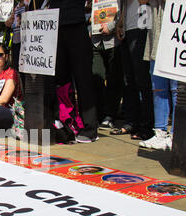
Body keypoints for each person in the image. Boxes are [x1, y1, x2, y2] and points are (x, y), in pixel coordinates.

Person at [49, 0, 99, 143]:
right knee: (61, 80)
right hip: (55, 26)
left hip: (76, 25)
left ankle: (90, 128)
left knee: (83, 78)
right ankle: (68, 122)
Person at [110, 0, 154, 141]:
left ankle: (146, 125)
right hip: (128, 28)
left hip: (143, 25)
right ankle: (131, 122)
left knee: (142, 79)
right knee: (128, 79)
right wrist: (120, 22)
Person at [139, 0, 175, 151]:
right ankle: (160, 131)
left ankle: (175, 134)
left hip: (177, 35)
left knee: (176, 89)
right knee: (158, 89)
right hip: (156, 33)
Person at [88, 0, 123, 130]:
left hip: (113, 41)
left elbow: (122, 11)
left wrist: (112, 26)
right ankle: (100, 113)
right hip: (96, 41)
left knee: (114, 79)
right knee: (96, 76)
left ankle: (110, 115)